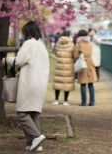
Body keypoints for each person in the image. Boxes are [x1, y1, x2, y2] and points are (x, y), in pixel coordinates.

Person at [5, 21, 49, 152]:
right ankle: (34, 144)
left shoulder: (29, 43)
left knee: (22, 113)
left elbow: (18, 61)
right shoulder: (42, 45)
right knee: (34, 112)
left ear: (28, 32)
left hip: (30, 82)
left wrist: (6, 60)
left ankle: (36, 136)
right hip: (41, 83)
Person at [73, 29, 97, 106]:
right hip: (90, 65)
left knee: (83, 84)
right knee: (91, 84)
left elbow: (75, 56)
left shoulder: (78, 44)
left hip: (83, 65)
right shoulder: (90, 43)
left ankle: (83, 102)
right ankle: (92, 102)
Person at [52, 30, 75, 106]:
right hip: (68, 65)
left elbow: (55, 52)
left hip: (59, 64)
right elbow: (73, 54)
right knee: (67, 84)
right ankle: (65, 101)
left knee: (58, 82)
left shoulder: (58, 43)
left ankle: (56, 100)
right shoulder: (71, 44)